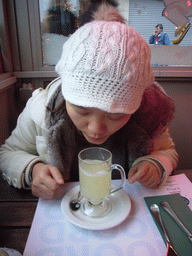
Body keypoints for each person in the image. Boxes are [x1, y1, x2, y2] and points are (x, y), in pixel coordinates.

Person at [0, 3, 178, 200]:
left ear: (134, 107)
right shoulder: (43, 110)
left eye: (115, 115)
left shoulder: (148, 117)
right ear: (67, 96)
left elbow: (168, 151)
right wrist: (33, 170)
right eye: (82, 111)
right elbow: (8, 153)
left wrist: (157, 163)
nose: (96, 128)